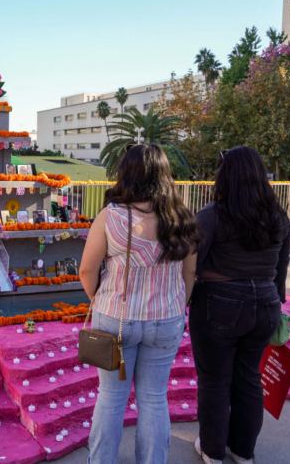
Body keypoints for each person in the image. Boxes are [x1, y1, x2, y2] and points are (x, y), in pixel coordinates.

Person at [79, 144, 199, 464]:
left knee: (111, 399)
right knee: (154, 399)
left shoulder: (111, 216)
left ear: (126, 173)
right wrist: (178, 304)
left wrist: (101, 300)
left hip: (115, 318)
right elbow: (190, 272)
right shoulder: (182, 217)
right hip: (167, 318)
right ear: (163, 175)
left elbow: (87, 270)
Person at [190, 146, 290, 464]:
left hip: (219, 305)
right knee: (249, 378)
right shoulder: (279, 216)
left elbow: (191, 266)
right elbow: (281, 269)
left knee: (215, 380)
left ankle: (212, 451)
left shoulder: (211, 215)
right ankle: (243, 452)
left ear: (226, 176)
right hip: (266, 305)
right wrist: (276, 300)